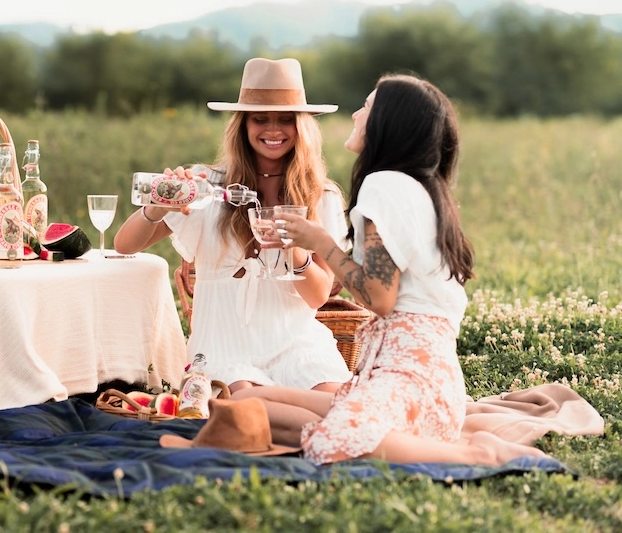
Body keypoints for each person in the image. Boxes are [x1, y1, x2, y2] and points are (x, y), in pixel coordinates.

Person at [234, 74, 548, 465]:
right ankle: (371, 430)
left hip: (409, 384)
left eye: (366, 107)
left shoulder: (383, 185)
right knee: (245, 401)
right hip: (408, 384)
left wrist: (318, 242)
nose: (355, 113)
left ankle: (478, 455)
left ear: (387, 122)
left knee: (327, 441)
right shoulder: (418, 187)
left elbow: (378, 297)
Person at [114, 58, 352, 394]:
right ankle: (309, 418)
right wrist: (156, 207)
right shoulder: (207, 186)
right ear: (242, 125)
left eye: (286, 119)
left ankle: (317, 416)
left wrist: (294, 246)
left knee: (330, 397)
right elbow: (125, 245)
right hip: (224, 348)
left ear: (303, 127)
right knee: (247, 399)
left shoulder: (321, 196)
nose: (273, 130)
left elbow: (317, 297)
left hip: (297, 347)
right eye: (260, 119)